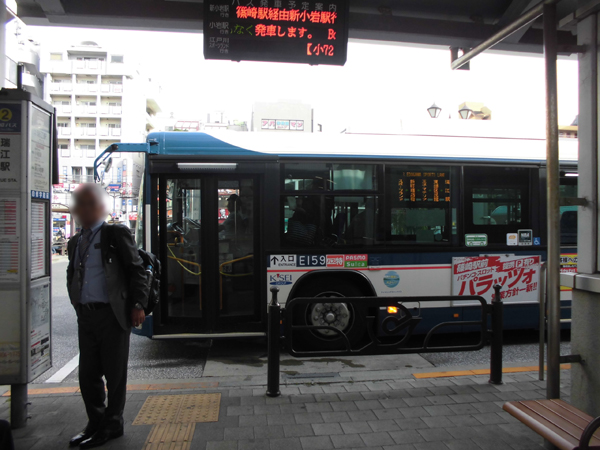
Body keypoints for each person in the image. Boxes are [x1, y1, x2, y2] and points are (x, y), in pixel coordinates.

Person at [66, 184, 149, 449]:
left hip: (112, 315)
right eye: (80, 204)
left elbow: (137, 270)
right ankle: (95, 421)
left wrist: (138, 304)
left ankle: (113, 424)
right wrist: (76, 301)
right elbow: (73, 273)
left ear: (101, 207)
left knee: (114, 375)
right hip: (87, 316)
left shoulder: (115, 233)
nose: (84, 209)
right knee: (87, 375)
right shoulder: (75, 241)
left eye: (90, 203)